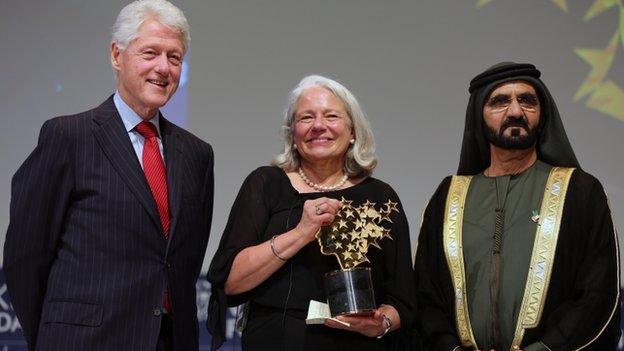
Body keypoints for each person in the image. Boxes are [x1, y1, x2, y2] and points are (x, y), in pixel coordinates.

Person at [3, 1, 214, 350]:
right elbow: (26, 256)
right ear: (117, 55)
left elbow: (184, 263)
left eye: (175, 58)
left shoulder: (196, 154)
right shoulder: (68, 137)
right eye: (151, 53)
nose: (164, 67)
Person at [414, 62, 620, 351]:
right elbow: (427, 296)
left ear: (543, 113)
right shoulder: (448, 197)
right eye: (499, 101)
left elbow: (598, 296)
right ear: (478, 116)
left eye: (527, 100)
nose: (515, 111)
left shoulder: (581, 191)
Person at [206, 75, 415, 350]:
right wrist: (301, 232)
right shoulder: (266, 184)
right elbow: (231, 282)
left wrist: (382, 323)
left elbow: (403, 299)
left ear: (353, 131)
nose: (318, 126)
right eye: (306, 118)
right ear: (292, 133)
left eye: (331, 116)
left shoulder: (380, 197)